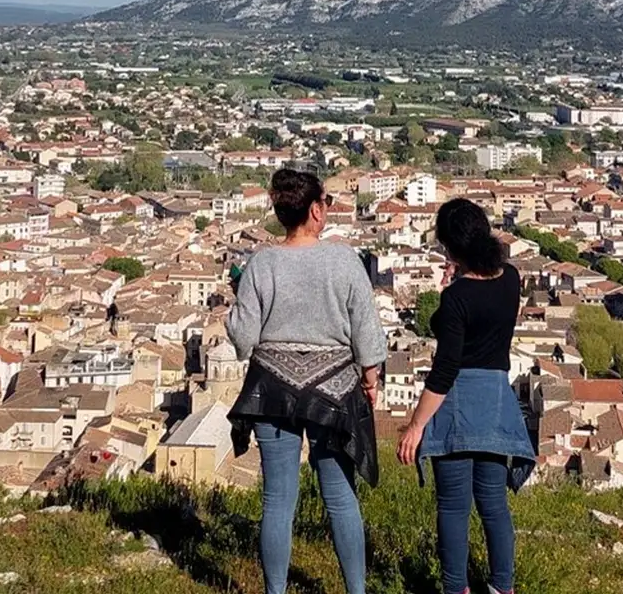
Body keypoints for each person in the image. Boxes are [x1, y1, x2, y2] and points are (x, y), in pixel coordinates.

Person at [228, 167, 387, 594]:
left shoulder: (261, 262)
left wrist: (237, 297)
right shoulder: (342, 259)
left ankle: (275, 591)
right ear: (316, 210)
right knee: (339, 496)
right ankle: (356, 589)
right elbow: (366, 330)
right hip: (333, 391)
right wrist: (370, 378)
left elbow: (243, 338)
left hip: (272, 390)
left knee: (278, 500)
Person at [398, 198, 535, 594]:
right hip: (495, 398)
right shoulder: (510, 278)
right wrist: (453, 285)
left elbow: (445, 369)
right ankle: (502, 586)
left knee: (454, 507)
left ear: (452, 248)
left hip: (457, 401)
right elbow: (471, 322)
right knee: (493, 503)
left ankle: (455, 587)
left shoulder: (456, 298)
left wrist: (416, 426)